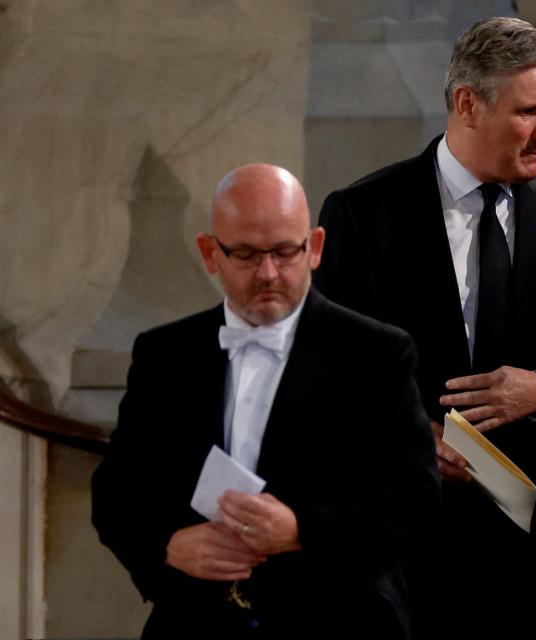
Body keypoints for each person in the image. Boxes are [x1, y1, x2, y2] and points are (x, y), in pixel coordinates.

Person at [313, 16, 536, 638]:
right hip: (406, 542)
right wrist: (410, 434)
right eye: (529, 112)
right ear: (467, 103)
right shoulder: (363, 214)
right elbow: (323, 370)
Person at [91, 163, 440, 639]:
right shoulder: (165, 353)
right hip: (195, 624)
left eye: (284, 251)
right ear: (209, 253)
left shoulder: (376, 352)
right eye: (246, 255)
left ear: (314, 248)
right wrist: (167, 546)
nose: (268, 273)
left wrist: (301, 530)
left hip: (338, 621)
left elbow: (415, 500)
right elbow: (116, 493)